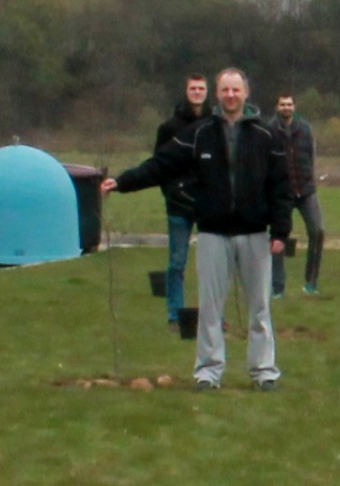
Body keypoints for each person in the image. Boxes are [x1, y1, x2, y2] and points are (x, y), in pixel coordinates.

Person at [117, 66, 292, 389]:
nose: (230, 95)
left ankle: (264, 371)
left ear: (246, 93)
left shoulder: (268, 136)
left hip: (255, 234)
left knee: (260, 309)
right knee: (210, 310)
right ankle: (208, 373)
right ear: (217, 94)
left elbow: (281, 185)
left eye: (236, 90)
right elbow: (162, 163)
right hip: (213, 234)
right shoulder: (200, 133)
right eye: (225, 90)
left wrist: (281, 231)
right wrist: (123, 182)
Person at [151, 74, 210, 330]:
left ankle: (213, 315)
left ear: (207, 93)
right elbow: (159, 165)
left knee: (213, 263)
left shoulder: (213, 124)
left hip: (208, 203)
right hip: (178, 205)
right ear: (186, 92)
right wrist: (171, 192)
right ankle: (175, 315)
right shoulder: (169, 128)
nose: (197, 92)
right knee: (177, 262)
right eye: (193, 88)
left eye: (201, 88)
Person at [273, 90, 329, 298]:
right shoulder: (270, 130)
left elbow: (311, 157)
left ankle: (311, 282)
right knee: (278, 238)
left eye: (289, 104)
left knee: (318, 231)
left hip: (306, 190)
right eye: (283, 104)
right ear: (277, 107)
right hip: (281, 193)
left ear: (294, 107)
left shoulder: (305, 129)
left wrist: (308, 180)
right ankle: (277, 287)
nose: (286, 108)